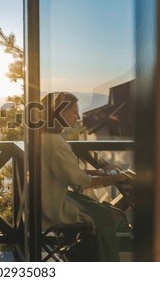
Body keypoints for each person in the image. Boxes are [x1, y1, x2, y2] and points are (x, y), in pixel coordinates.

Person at [40, 92, 134, 261]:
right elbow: (80, 183)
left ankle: (85, 253)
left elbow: (66, 172)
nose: (77, 117)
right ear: (60, 113)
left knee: (104, 211)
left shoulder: (42, 138)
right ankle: (104, 261)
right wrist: (117, 178)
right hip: (53, 207)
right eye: (74, 112)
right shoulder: (55, 143)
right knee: (114, 216)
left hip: (43, 201)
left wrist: (98, 172)